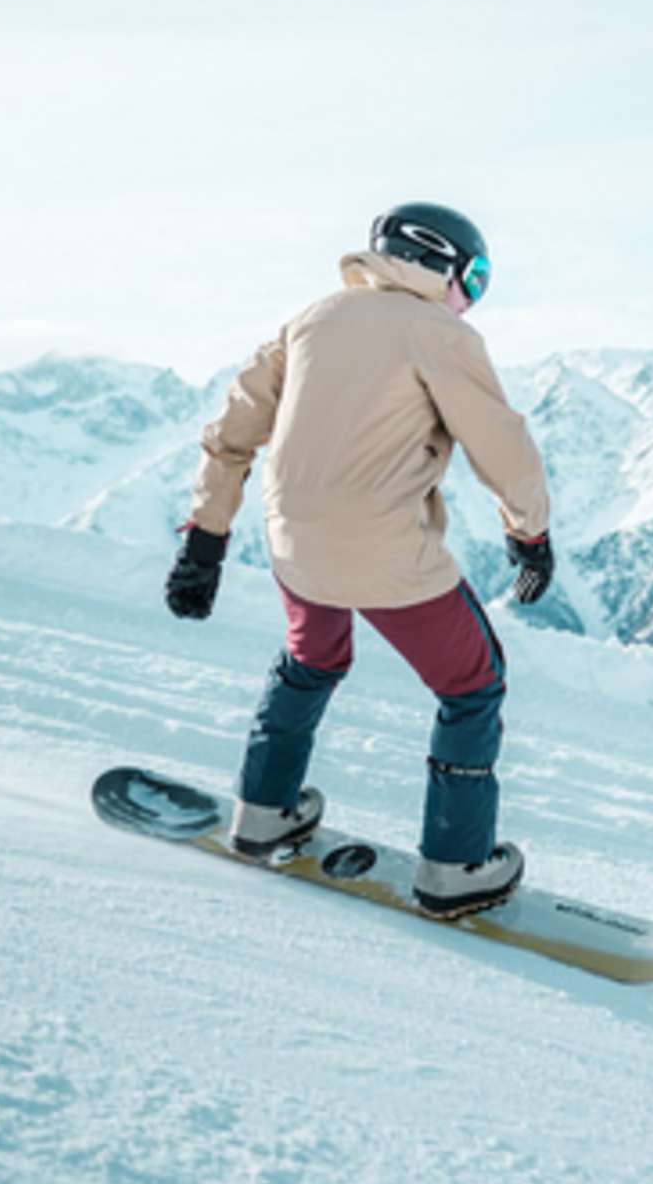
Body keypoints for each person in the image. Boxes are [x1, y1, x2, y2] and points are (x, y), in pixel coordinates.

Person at [165, 202, 554, 917]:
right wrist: (530, 533)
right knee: (472, 686)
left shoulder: (308, 321)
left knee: (309, 660)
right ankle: (456, 866)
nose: (471, 298)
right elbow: (501, 444)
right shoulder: (439, 331)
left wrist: (205, 540)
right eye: (475, 278)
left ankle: (262, 813)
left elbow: (230, 433)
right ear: (439, 262)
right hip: (386, 549)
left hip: (294, 543)